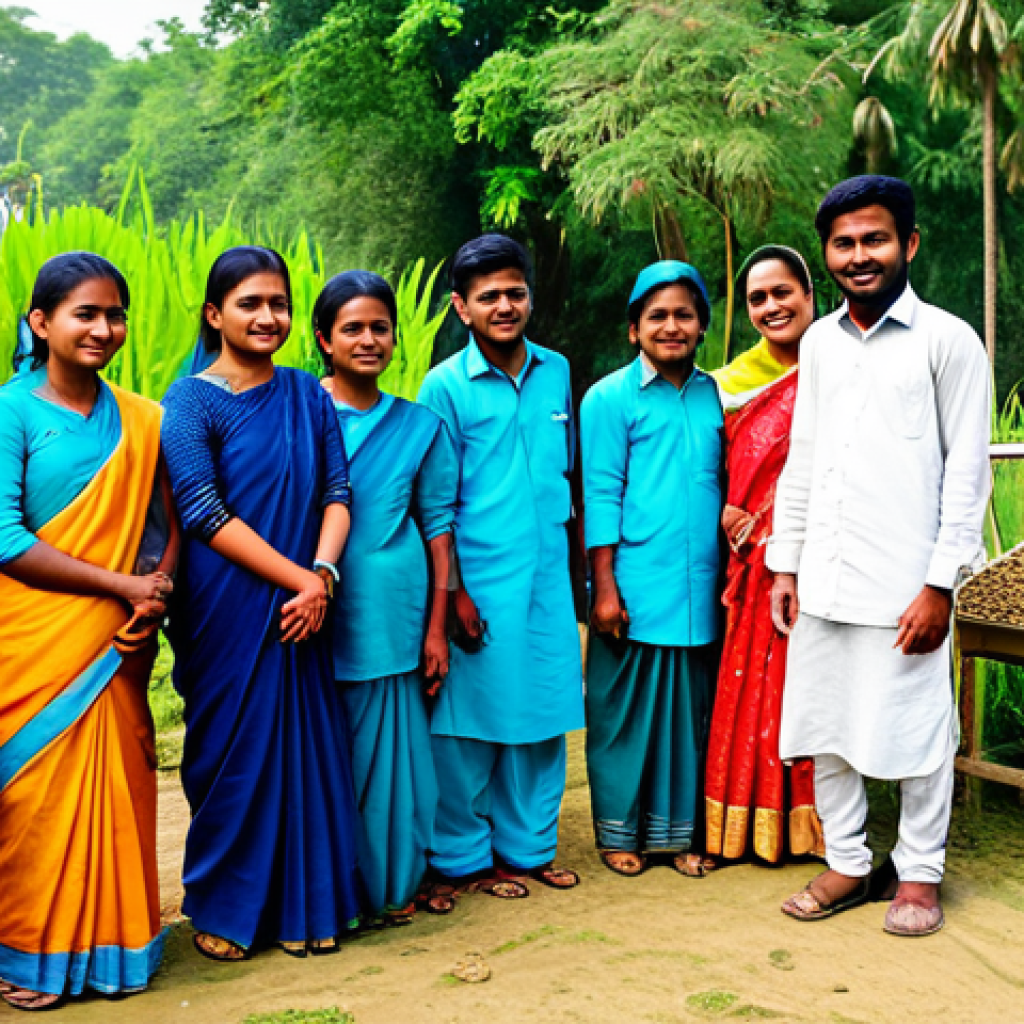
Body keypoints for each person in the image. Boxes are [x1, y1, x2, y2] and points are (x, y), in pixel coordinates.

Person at [768, 176, 991, 936]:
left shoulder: (949, 340)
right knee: (828, 723)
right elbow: (804, 457)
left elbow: (967, 471)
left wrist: (940, 586)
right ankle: (850, 862)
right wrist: (785, 564)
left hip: (907, 582)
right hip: (826, 574)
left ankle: (921, 873)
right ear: (827, 254)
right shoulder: (820, 342)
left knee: (920, 729)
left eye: (875, 239)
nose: (860, 256)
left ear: (910, 244)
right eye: (844, 243)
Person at [161, 246, 362, 960]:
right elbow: (202, 510)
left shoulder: (309, 393)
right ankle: (224, 903)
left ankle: (306, 905)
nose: (268, 316)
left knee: (307, 746)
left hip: (304, 601)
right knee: (231, 751)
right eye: (250, 303)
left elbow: (339, 494)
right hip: (229, 607)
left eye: (278, 303)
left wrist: (322, 573)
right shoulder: (189, 400)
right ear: (215, 315)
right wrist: (301, 581)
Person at [0, 252, 176, 1009]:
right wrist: (121, 586)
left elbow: (169, 522)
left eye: (115, 315)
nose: (104, 328)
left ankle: (117, 951)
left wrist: (153, 597)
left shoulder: (143, 417)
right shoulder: (11, 411)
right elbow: (5, 536)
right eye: (85, 314)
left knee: (120, 787)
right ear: (41, 324)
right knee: (30, 798)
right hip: (33, 644)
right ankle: (32, 953)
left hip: (122, 645)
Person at [416, 234, 583, 908]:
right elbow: (435, 500)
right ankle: (462, 857)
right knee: (468, 726)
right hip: (475, 582)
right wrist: (452, 594)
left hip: (546, 580)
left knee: (542, 717)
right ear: (462, 307)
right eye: (489, 296)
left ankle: (530, 849)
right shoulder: (444, 386)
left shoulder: (557, 370)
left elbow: (565, 475)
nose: (505, 305)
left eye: (515, 292)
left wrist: (580, 577)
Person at [313, 271, 457, 923]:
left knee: (392, 764)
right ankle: (327, 891)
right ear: (324, 338)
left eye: (380, 327)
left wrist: (434, 630)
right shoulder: (298, 413)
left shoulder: (420, 425)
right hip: (311, 605)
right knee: (321, 755)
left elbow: (436, 532)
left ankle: (388, 886)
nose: (369, 340)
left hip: (393, 611)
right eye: (353, 328)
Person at [580, 260, 723, 877]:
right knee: (625, 719)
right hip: (635, 583)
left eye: (684, 315)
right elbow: (601, 492)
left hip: (700, 585)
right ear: (633, 328)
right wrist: (603, 587)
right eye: (657, 315)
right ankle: (620, 835)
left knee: (691, 719)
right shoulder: (609, 397)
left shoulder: (716, 394)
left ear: (702, 326)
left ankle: (684, 835)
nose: (672, 326)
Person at [704, 245, 825, 865]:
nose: (772, 306)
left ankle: (829, 826)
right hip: (755, 565)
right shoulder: (724, 386)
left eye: (784, 292)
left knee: (819, 685)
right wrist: (729, 515)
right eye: (758, 298)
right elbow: (709, 477)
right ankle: (750, 821)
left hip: (830, 558)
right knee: (759, 684)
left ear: (811, 293)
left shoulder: (841, 367)